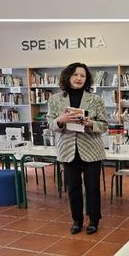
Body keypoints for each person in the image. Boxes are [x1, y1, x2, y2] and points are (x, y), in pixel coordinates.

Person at [48, 63, 108, 234]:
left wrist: (90, 123)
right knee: (73, 188)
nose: (79, 78)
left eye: (82, 75)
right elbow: (50, 124)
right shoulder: (55, 99)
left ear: (86, 79)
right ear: (68, 76)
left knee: (92, 187)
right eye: (75, 74)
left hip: (91, 149)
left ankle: (94, 220)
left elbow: (104, 126)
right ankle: (77, 220)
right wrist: (60, 120)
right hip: (67, 150)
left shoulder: (95, 99)